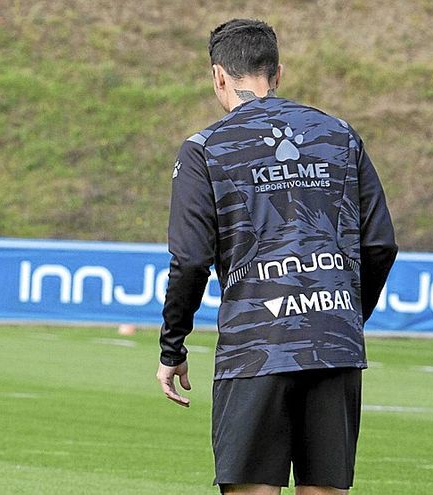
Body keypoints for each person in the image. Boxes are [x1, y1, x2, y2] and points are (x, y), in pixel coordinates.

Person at [156, 19, 397, 495]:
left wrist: (173, 347)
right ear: (278, 73)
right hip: (333, 341)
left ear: (218, 77)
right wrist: (344, 312)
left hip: (256, 345)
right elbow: (379, 244)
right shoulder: (340, 135)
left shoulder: (207, 149)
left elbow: (190, 259)